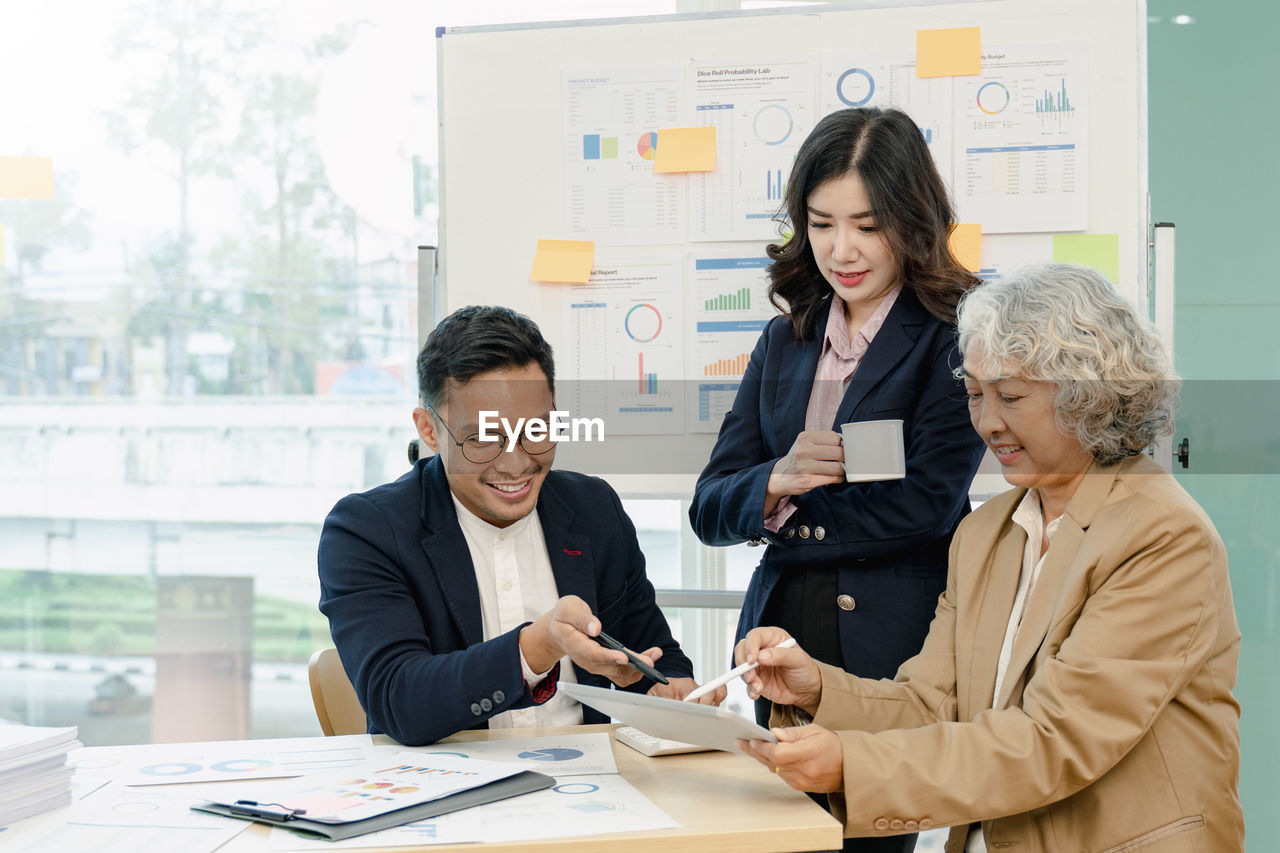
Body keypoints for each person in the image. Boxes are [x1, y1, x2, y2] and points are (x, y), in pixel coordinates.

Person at [735, 264, 1243, 852]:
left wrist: (855, 764)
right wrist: (819, 689)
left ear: (1090, 393)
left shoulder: (1163, 535)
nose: (987, 423)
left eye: (1011, 396)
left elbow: (1055, 739)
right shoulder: (986, 534)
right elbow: (933, 704)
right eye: (975, 395)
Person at [689, 105, 986, 853]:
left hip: (888, 656)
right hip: (779, 651)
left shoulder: (953, 333)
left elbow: (927, 503)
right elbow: (710, 504)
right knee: (784, 841)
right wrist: (774, 479)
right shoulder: (784, 339)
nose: (841, 249)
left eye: (867, 224)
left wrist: (789, 511)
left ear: (911, 221)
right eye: (821, 223)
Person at [319, 305, 722, 746]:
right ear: (429, 430)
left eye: (536, 430)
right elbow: (399, 701)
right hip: (445, 791)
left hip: (591, 783)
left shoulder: (592, 508)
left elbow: (650, 653)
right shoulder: (367, 530)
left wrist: (674, 689)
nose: (515, 464)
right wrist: (537, 646)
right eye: (485, 438)